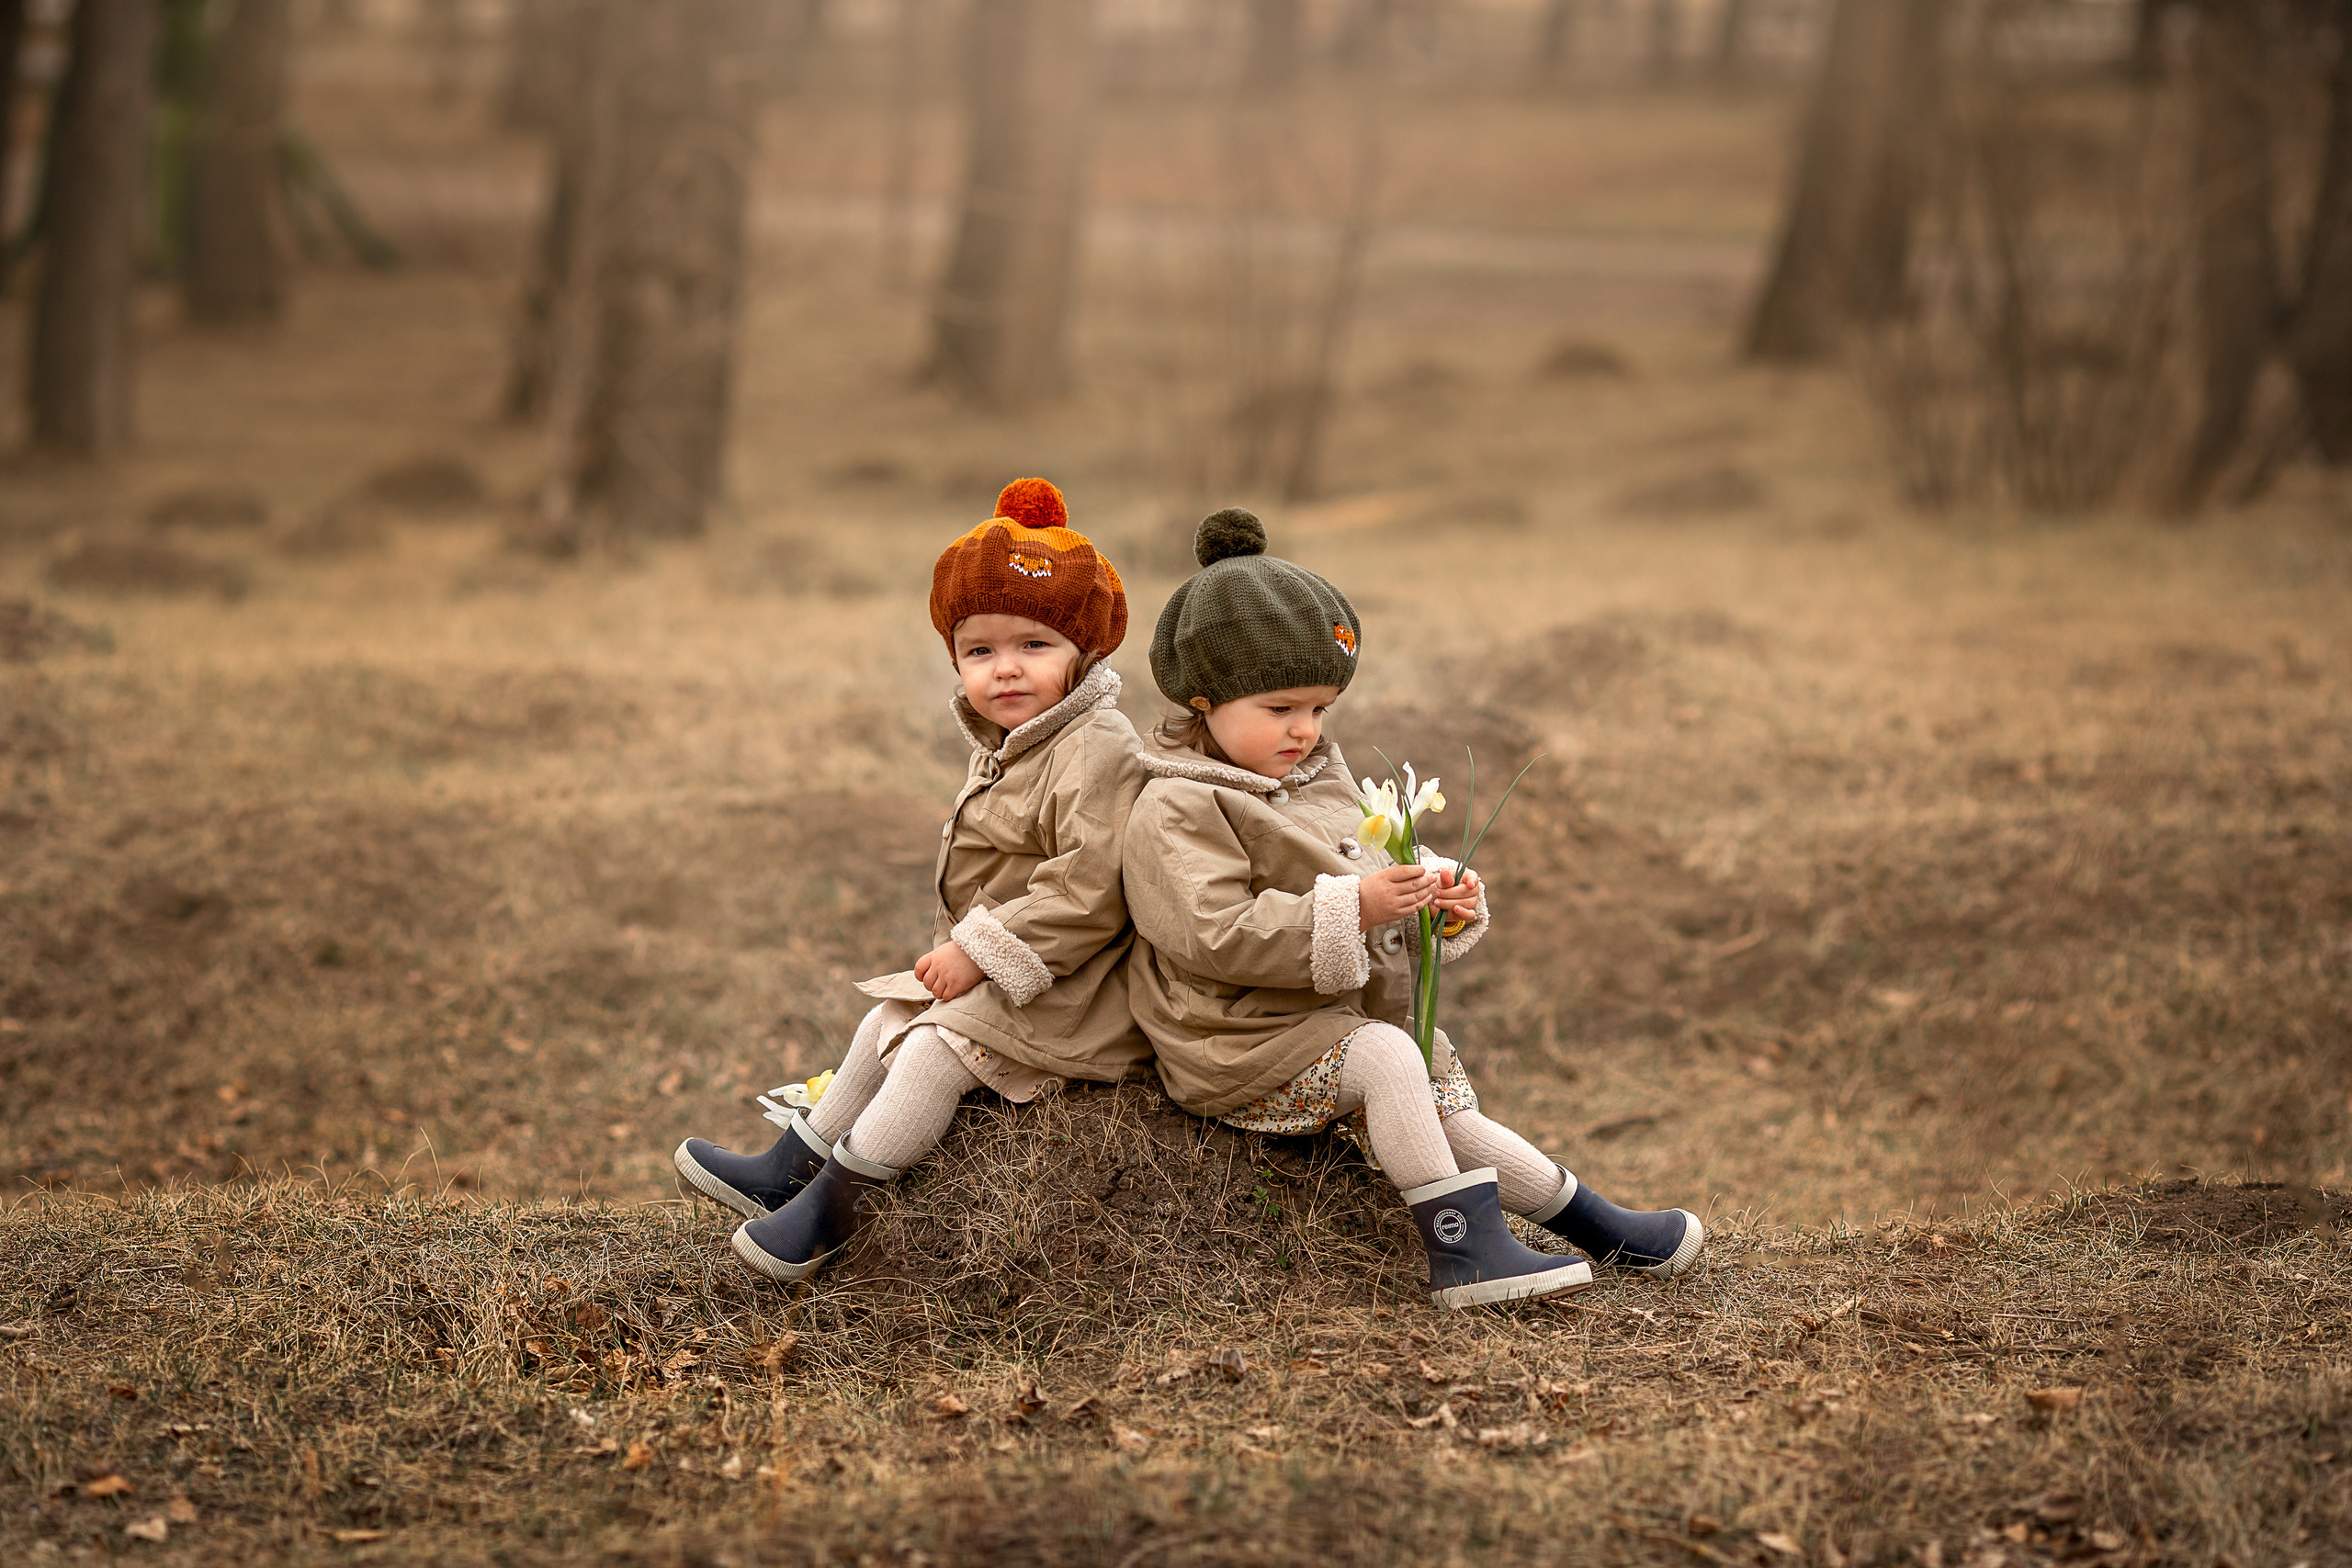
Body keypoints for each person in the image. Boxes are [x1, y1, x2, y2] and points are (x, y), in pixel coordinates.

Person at [1119, 508, 1704, 1309]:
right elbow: (1213, 935)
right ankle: (1465, 1252)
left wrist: (1434, 897)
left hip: (1326, 1016)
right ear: (1203, 696)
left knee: (1436, 1095)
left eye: (1321, 708)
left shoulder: (1321, 776)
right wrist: (1352, 907)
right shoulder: (1176, 807)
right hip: (1233, 1033)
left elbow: (1371, 862)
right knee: (1393, 1061)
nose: (1305, 729)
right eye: (1280, 707)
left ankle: (1600, 1225)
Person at [672, 479, 1151, 1281]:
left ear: (1083, 652)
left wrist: (979, 950)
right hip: (1020, 971)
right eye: (980, 651)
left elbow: (1089, 886)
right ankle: (798, 1159)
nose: (1005, 670)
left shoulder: (1096, 745)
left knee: (934, 1046)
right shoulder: (1018, 738)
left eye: (1034, 645)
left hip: (1079, 990)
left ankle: (834, 1209)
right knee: (890, 1012)